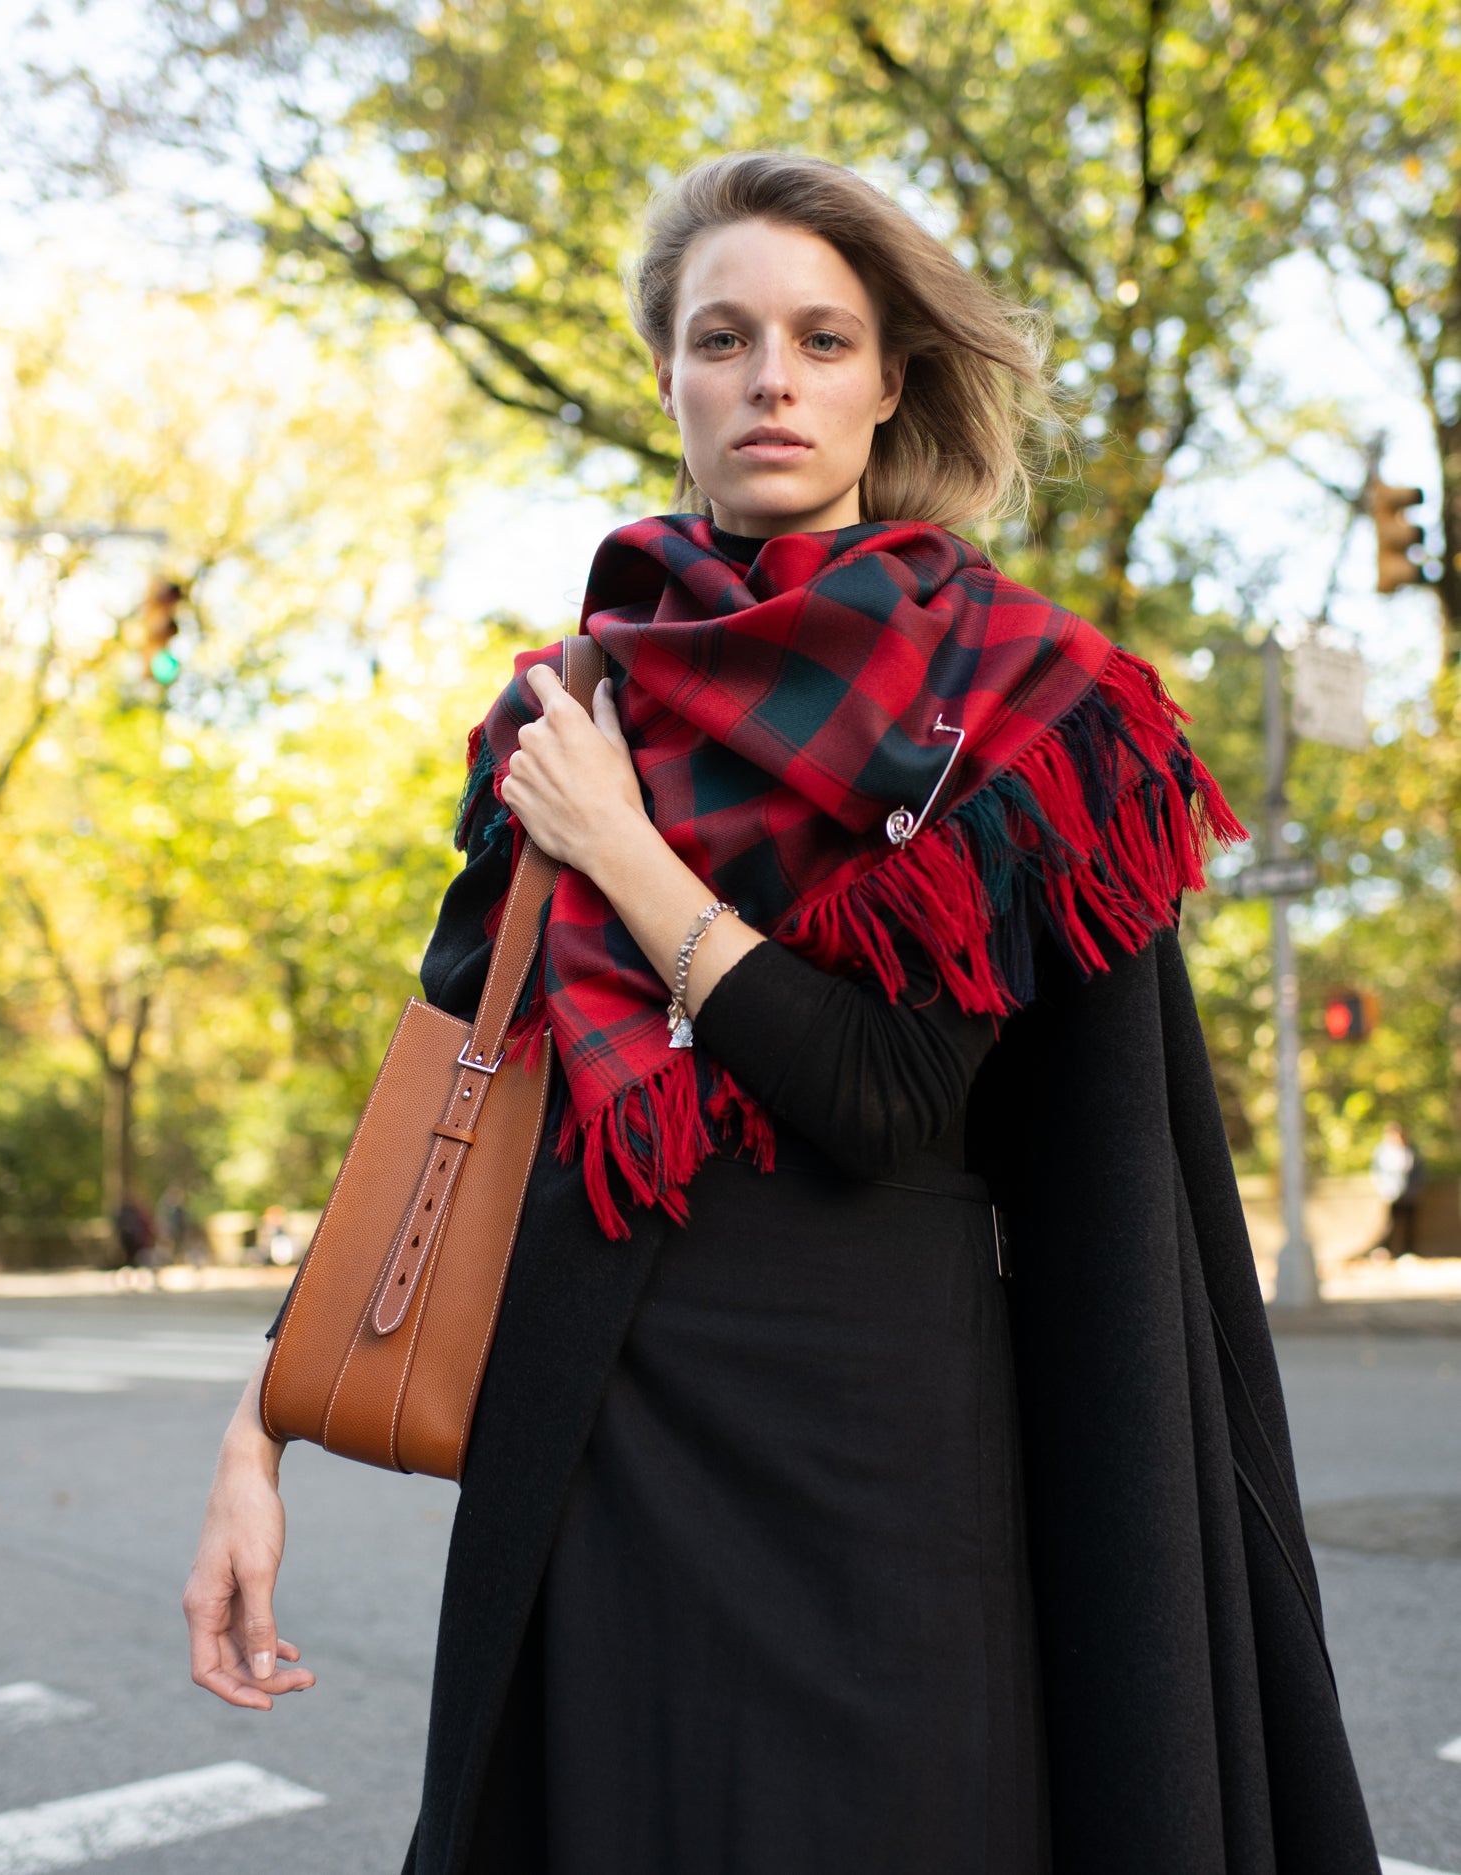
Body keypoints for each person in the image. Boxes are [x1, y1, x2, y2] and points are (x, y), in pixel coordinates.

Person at [185, 154, 1380, 1873]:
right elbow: (456, 1068)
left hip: (893, 1451)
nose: (771, 377)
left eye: (823, 339)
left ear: (891, 379)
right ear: (667, 376)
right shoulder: (569, 701)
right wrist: (261, 1426)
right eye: (723, 336)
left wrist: (625, 854)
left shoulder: (1022, 701)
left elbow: (884, 1092)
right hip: (600, 1430)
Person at [1370, 1119, 1425, 1259]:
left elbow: (1419, 1172)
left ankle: (1408, 1251)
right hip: (1391, 1194)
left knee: (1409, 1223)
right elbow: (1377, 1172)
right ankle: (1384, 1250)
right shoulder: (1383, 1152)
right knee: (1390, 1223)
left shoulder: (1411, 1151)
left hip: (1409, 1193)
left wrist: (1416, 1188)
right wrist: (1383, 1188)